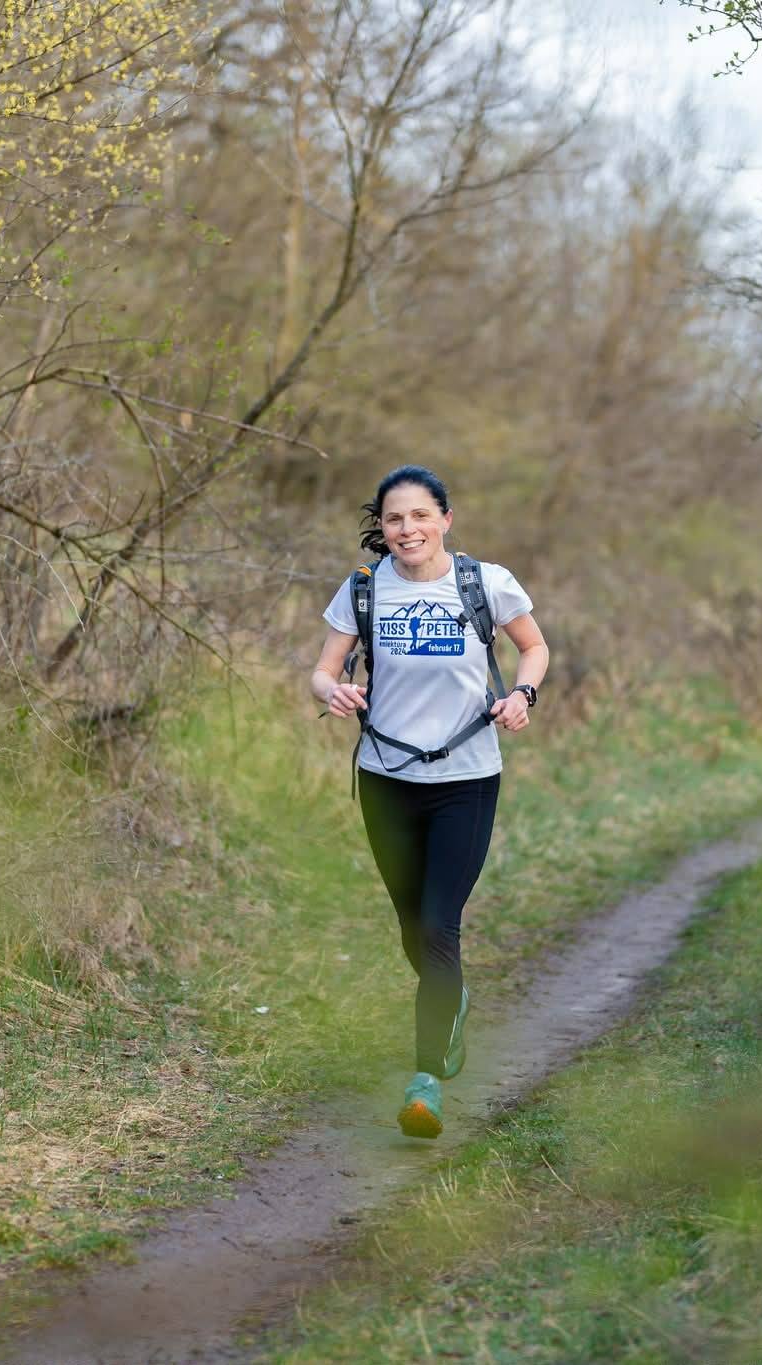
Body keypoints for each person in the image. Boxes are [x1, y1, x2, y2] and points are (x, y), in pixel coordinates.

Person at [309, 465, 550, 1139]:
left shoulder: (485, 583)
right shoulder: (364, 589)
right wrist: (331, 690)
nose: (407, 528)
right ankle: (452, 999)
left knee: (440, 925)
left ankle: (426, 1081)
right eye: (394, 518)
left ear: (445, 519)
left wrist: (522, 694)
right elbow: (323, 669)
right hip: (385, 778)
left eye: (420, 515)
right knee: (413, 928)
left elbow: (534, 647)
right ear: (382, 528)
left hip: (466, 779)